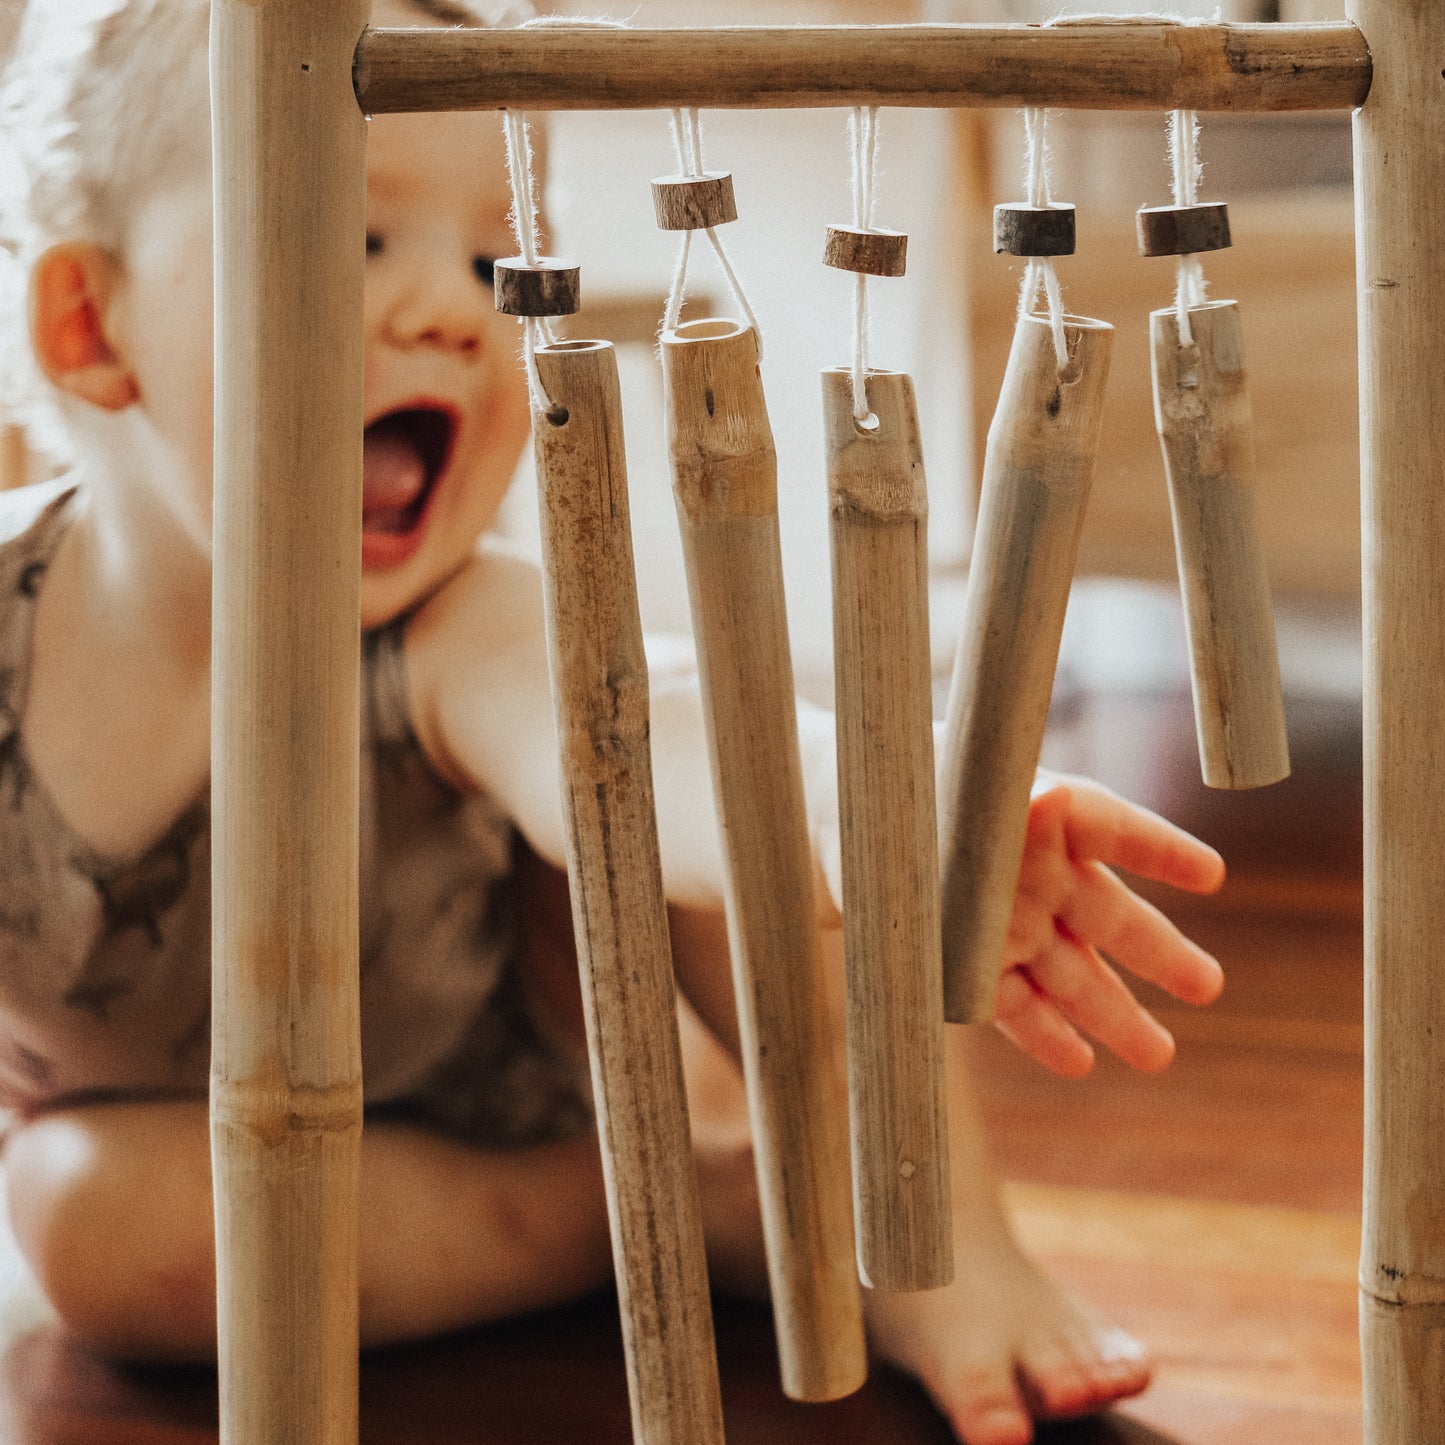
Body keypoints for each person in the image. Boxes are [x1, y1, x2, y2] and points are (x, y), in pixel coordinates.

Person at [0, 2, 1226, 1442]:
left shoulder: (457, 627)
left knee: (722, 788)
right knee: (85, 1227)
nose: (454, 311)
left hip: (520, 1094)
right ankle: (693, 1207)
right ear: (90, 326)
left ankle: (925, 1239)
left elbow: (662, 747)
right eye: (358, 236)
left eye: (496, 262)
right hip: (248, 1167)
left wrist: (874, 813)